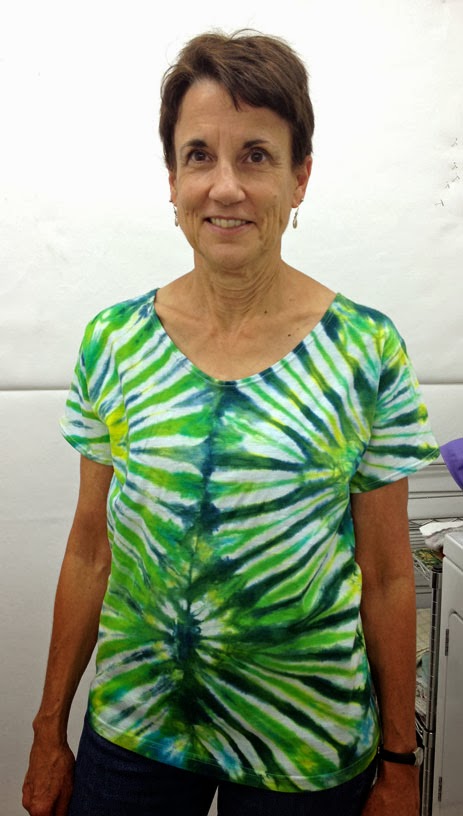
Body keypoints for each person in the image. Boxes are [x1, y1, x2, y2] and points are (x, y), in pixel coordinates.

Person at [22, 30, 440, 816]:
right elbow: (90, 547)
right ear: (172, 179)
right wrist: (48, 730)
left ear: (298, 176)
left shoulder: (365, 349)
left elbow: (387, 575)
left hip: (303, 744)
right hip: (138, 732)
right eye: (198, 156)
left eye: (255, 156)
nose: (224, 187)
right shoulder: (114, 342)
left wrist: (398, 762)